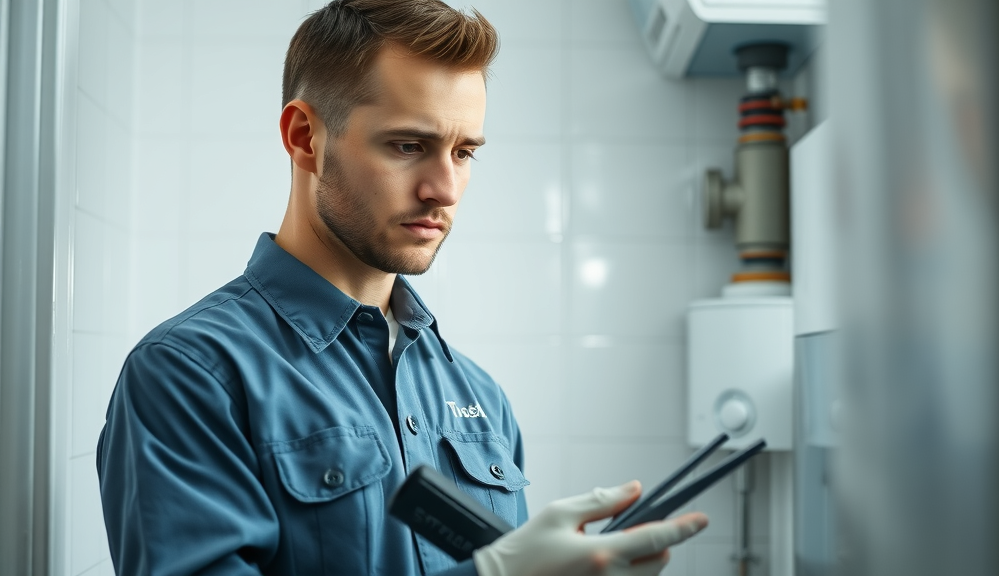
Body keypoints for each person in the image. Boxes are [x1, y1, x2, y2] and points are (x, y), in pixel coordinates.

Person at [96, 1, 708, 575]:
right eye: (409, 145)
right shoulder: (190, 375)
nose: (444, 188)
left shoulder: (478, 397)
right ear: (305, 137)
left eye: (464, 152)